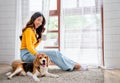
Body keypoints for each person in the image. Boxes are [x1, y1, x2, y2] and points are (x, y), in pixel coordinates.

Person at [20, 12, 88, 71]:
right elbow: (29, 46)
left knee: (57, 53)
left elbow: (32, 46)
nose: (40, 23)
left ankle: (75, 64)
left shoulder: (33, 30)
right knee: (54, 53)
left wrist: (39, 41)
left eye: (41, 22)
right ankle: (74, 66)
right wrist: (37, 54)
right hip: (26, 55)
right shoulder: (29, 30)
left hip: (30, 53)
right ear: (33, 19)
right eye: (39, 20)